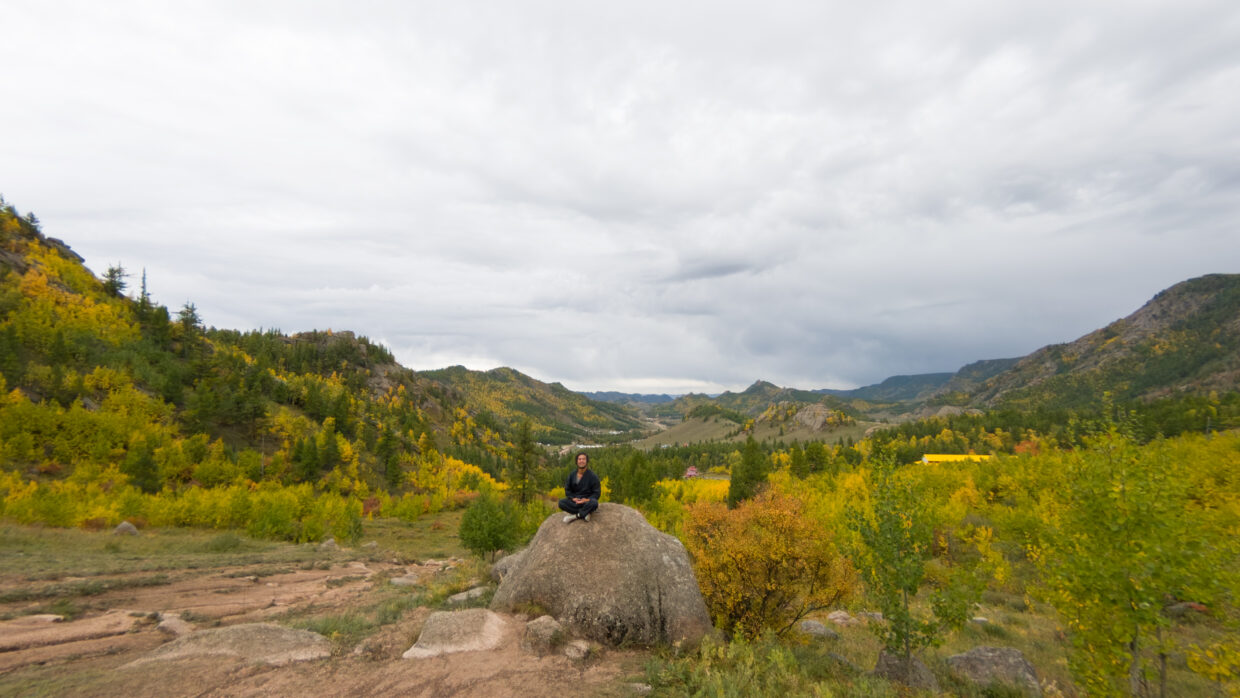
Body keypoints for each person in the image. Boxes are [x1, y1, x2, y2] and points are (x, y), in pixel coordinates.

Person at [559, 451, 600, 523]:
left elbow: (596, 493)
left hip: (586, 502)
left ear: (587, 461)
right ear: (576, 461)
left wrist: (586, 500)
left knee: (594, 503)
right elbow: (568, 490)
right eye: (579, 459)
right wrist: (573, 498)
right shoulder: (572, 475)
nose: (581, 461)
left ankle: (576, 516)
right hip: (575, 502)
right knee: (561, 503)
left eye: (583, 459)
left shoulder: (593, 476)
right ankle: (586, 512)